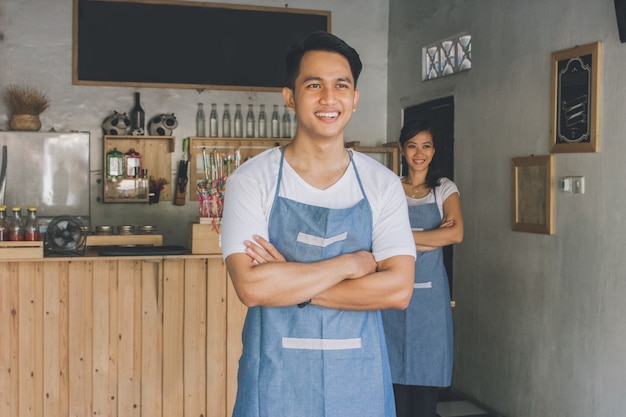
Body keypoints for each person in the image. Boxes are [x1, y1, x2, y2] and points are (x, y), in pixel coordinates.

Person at [221, 31, 416, 417]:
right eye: (314, 85)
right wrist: (350, 266)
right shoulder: (251, 180)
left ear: (355, 98)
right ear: (290, 97)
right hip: (275, 381)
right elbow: (252, 287)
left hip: (359, 380)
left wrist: (292, 282)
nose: (329, 98)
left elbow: (397, 290)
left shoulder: (383, 184)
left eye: (340, 85)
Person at [381, 120, 464, 417]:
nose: (420, 153)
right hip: (392, 294)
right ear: (403, 150)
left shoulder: (444, 189)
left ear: (433, 151)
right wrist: (430, 239)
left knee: (426, 391)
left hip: (430, 302)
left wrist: (401, 239)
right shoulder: (390, 188)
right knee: (395, 390)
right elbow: (377, 240)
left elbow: (455, 234)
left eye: (426, 146)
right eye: (413, 145)